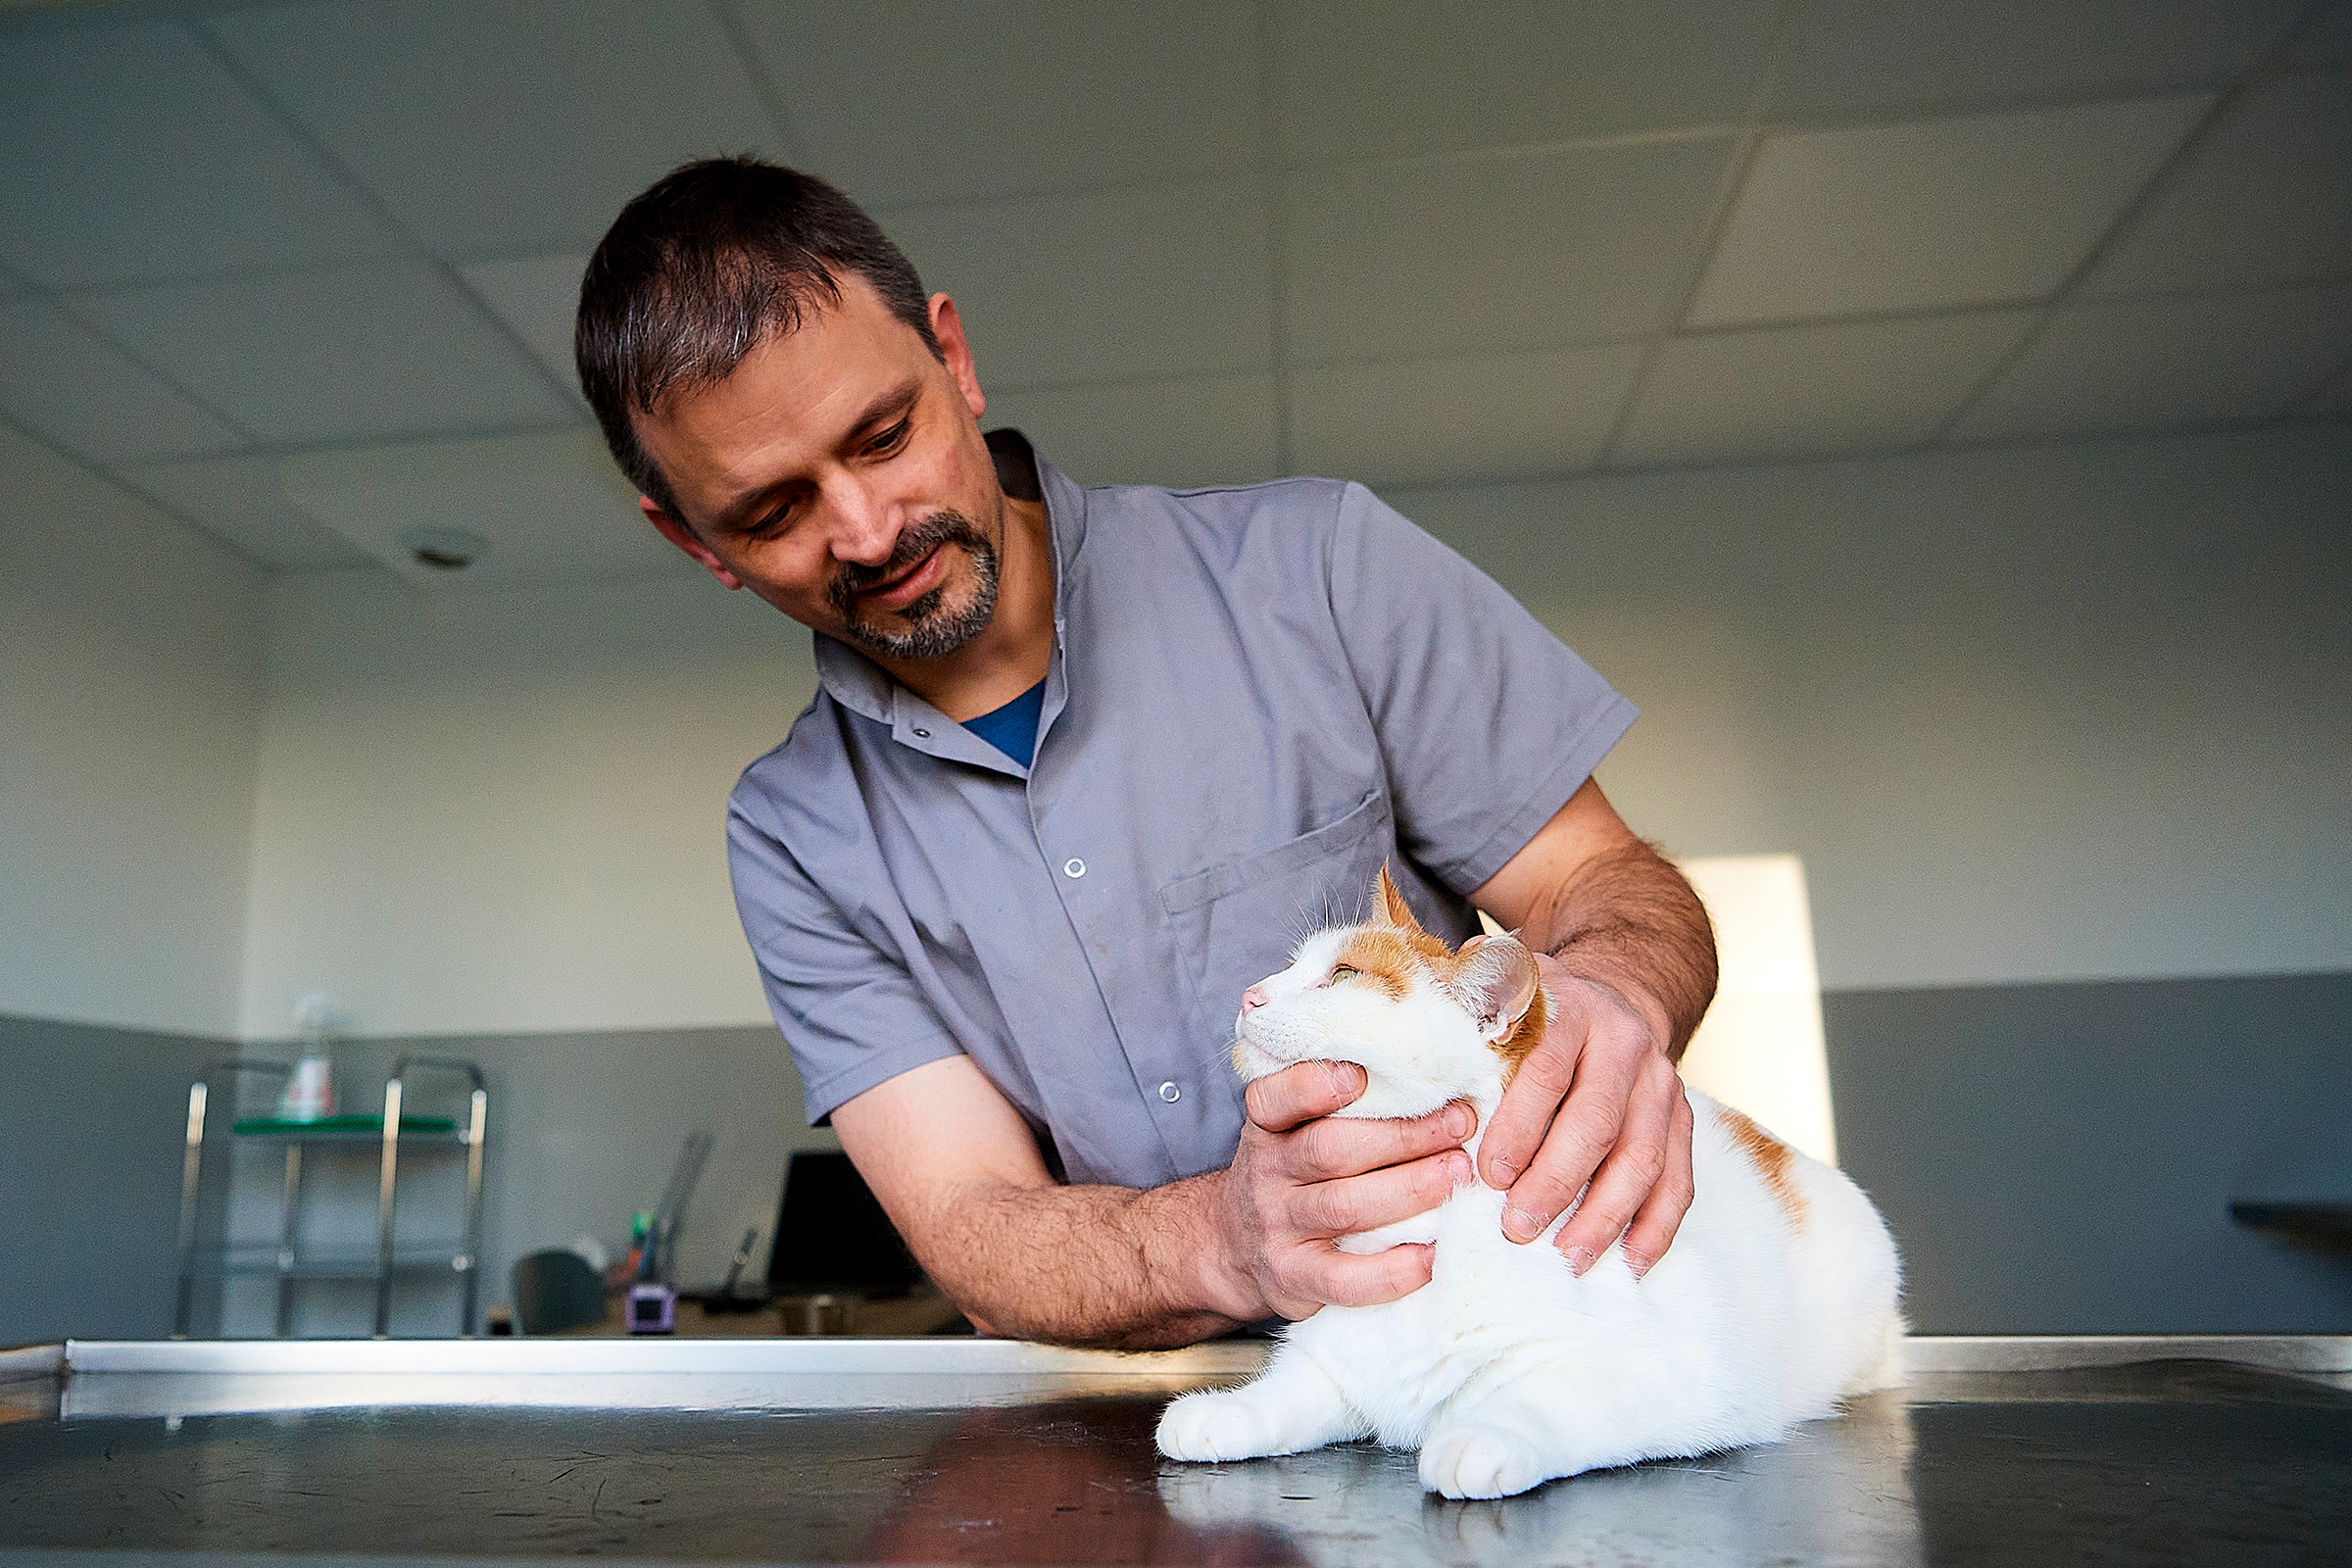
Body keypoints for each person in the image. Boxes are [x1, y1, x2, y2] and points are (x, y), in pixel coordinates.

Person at [576, 158, 1717, 1349]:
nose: (867, 532)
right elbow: (971, 1218)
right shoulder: (792, 835)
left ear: (953, 360)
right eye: (772, 512)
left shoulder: (1322, 570)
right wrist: (1225, 1238)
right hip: (1129, 1450)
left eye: (883, 434)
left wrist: (1618, 994)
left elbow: (1604, 883)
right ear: (692, 540)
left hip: (1490, 1363)